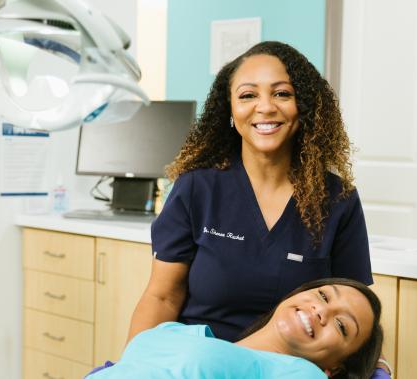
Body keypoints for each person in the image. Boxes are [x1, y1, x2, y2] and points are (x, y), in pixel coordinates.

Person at [127, 41, 389, 377]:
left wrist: (375, 365)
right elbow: (162, 297)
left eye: (282, 94)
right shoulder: (198, 188)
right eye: (248, 95)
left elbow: (351, 316)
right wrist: (136, 367)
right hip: (194, 365)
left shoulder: (338, 200)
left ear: (304, 107)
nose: (265, 107)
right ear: (231, 112)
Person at [89, 278, 383, 379]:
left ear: (334, 368)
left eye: (342, 326)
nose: (322, 310)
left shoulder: (302, 374)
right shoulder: (187, 333)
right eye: (323, 295)